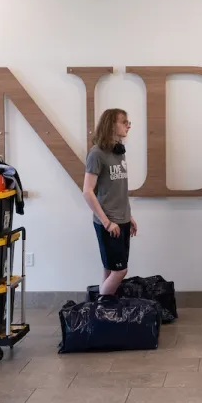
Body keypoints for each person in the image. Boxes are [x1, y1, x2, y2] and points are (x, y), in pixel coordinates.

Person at [82, 108, 136, 296]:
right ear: (110, 124)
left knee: (110, 269)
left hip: (122, 219)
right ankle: (100, 308)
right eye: (124, 122)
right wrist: (107, 222)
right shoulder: (96, 154)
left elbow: (117, 190)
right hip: (109, 223)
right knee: (120, 270)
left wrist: (130, 216)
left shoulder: (119, 152)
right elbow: (87, 192)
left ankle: (103, 318)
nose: (128, 126)